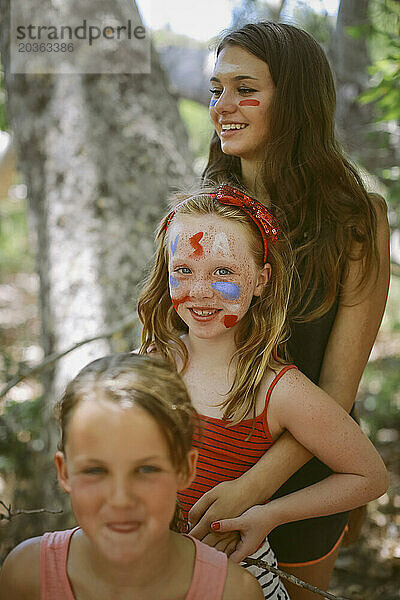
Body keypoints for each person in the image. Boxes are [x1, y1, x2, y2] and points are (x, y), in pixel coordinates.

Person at [195, 21, 391, 598]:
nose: (222, 106)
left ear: (297, 98)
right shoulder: (202, 216)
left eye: (244, 88)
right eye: (215, 89)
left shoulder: (358, 220)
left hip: (306, 479)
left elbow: (336, 390)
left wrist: (255, 489)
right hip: (205, 475)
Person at [137, 186, 388, 599]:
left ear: (261, 281)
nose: (200, 291)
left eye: (223, 272)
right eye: (183, 270)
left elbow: (370, 476)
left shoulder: (277, 389)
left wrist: (268, 515)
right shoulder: (149, 364)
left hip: (230, 580)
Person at [0, 353, 265, 600]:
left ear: (184, 469)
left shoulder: (232, 592)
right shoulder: (27, 576)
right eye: (95, 471)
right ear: (65, 472)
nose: (121, 499)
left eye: (146, 470)